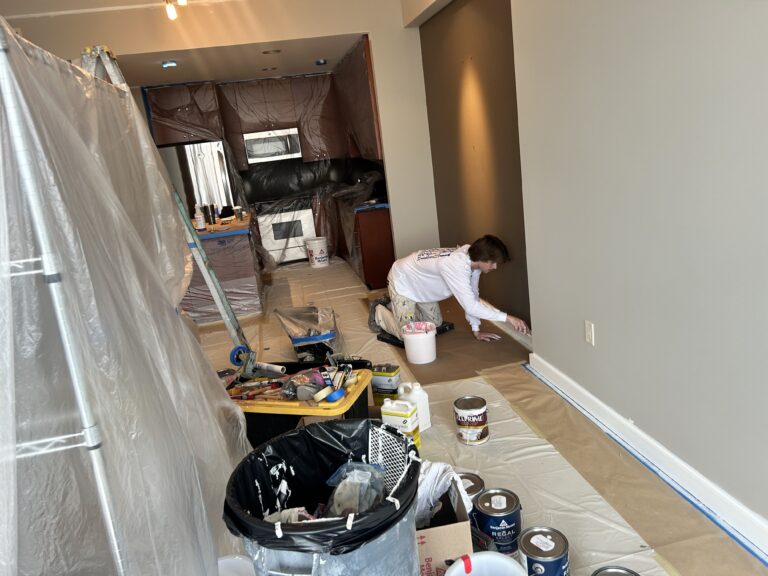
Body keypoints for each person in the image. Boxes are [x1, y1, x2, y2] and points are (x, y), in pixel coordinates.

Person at [375, 235, 530, 342]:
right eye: (492, 262)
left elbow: (473, 296)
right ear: (482, 258)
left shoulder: (472, 262)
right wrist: (508, 317)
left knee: (434, 324)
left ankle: (396, 305)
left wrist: (476, 330)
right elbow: (470, 305)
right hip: (403, 281)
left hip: (423, 288)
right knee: (407, 334)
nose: (495, 267)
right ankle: (379, 310)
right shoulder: (456, 266)